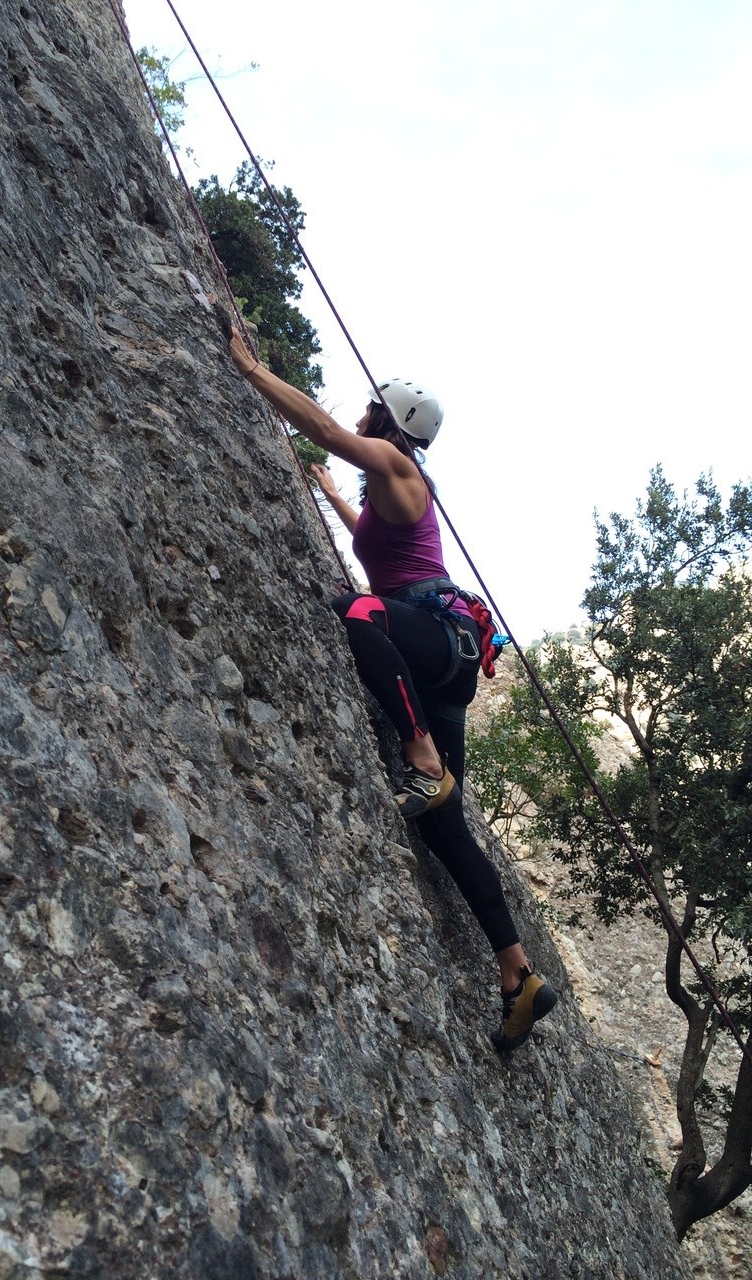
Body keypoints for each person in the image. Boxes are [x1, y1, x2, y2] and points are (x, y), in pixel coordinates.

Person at [228, 329, 557, 1051]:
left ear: (388, 418)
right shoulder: (392, 490)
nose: (363, 412)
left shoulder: (395, 461)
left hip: (435, 635)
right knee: (444, 827)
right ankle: (519, 975)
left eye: (373, 407)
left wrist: (251, 367)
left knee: (357, 612)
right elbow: (384, 549)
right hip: (444, 653)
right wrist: (331, 497)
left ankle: (421, 756)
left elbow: (323, 428)